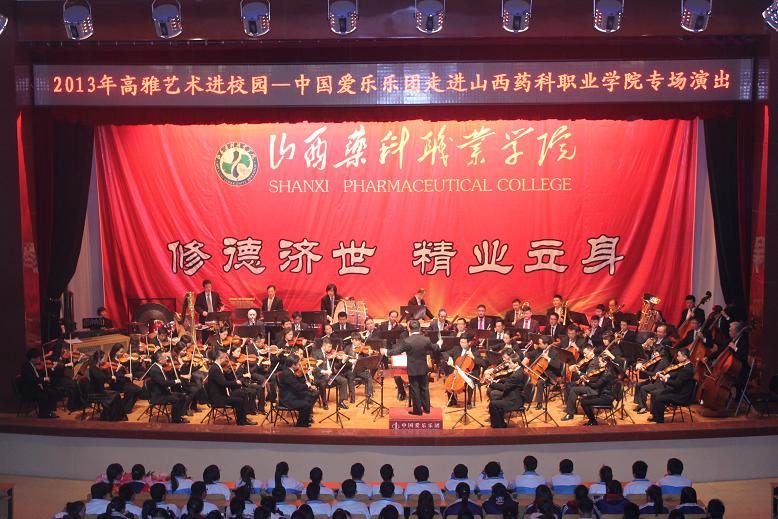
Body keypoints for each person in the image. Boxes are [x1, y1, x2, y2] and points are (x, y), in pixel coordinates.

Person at [381, 320, 440, 415]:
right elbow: (435, 348)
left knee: (415, 389)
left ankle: (417, 411)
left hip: (413, 369)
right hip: (423, 368)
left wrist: (386, 352)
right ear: (419, 328)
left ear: (409, 329)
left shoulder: (407, 341)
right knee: (425, 388)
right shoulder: (426, 339)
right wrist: (439, 343)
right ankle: (427, 409)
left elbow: (396, 351)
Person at [206, 350, 256, 426]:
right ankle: (241, 421)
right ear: (220, 358)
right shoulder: (215, 369)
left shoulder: (218, 367)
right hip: (218, 398)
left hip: (223, 394)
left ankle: (244, 418)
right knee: (239, 400)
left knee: (243, 392)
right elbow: (223, 383)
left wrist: (231, 374)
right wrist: (236, 383)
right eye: (225, 358)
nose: (226, 360)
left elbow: (226, 380)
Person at [648, 349, 695, 424]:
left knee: (659, 398)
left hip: (681, 395)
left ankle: (659, 421)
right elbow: (676, 373)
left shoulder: (687, 369)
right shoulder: (684, 365)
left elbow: (677, 384)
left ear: (685, 357)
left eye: (678, 356)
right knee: (654, 393)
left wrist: (665, 379)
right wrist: (668, 375)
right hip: (677, 390)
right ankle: (655, 416)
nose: (677, 358)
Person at [277, 355, 318, 427]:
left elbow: (296, 384)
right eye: (298, 363)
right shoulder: (288, 373)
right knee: (306, 404)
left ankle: (305, 420)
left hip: (291, 394)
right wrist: (307, 385)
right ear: (293, 365)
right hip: (287, 399)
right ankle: (300, 425)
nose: (299, 364)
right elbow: (297, 387)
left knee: (310, 396)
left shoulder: (288, 371)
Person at [19, 348, 60, 418]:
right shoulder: (26, 367)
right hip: (30, 390)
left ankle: (50, 412)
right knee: (44, 395)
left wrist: (48, 372)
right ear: (32, 358)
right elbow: (31, 380)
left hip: (35, 387)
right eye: (38, 358)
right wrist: (44, 379)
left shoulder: (32, 365)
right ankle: (44, 415)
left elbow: (38, 376)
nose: (39, 359)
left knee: (53, 392)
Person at [579, 355, 617, 426]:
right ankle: (592, 420)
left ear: (605, 362)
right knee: (584, 399)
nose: (598, 363)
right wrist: (588, 380)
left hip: (606, 398)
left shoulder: (606, 374)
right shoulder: (606, 371)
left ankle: (593, 421)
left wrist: (586, 381)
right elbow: (597, 381)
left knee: (583, 402)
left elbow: (596, 386)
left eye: (599, 362)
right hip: (604, 395)